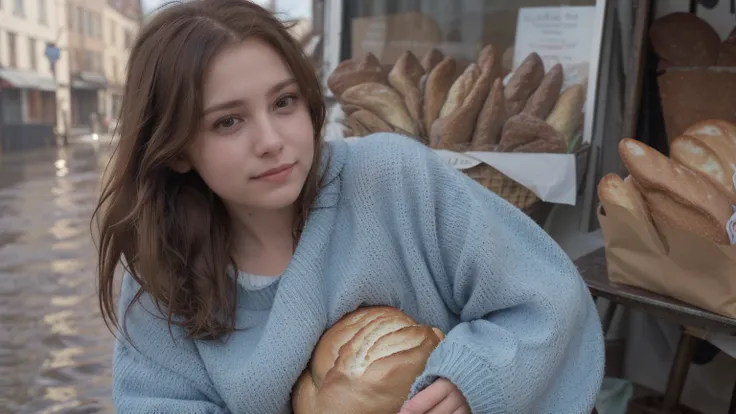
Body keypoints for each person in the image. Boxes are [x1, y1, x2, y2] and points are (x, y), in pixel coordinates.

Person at [92, 0, 605, 413]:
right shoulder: (163, 268)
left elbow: (548, 298)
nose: (272, 140)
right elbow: (157, 402)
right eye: (228, 121)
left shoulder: (395, 179)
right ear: (176, 148)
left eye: (284, 102)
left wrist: (475, 380)